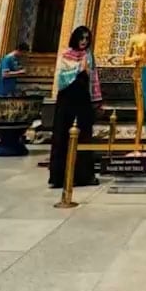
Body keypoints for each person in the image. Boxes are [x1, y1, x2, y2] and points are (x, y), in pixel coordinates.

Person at [48, 26, 101, 189]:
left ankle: (83, 175)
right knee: (62, 135)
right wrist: (80, 67)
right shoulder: (66, 54)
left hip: (83, 99)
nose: (84, 41)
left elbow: (93, 77)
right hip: (67, 99)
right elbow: (63, 77)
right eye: (81, 38)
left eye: (87, 39)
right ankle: (59, 176)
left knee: (84, 136)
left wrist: (97, 100)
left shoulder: (89, 55)